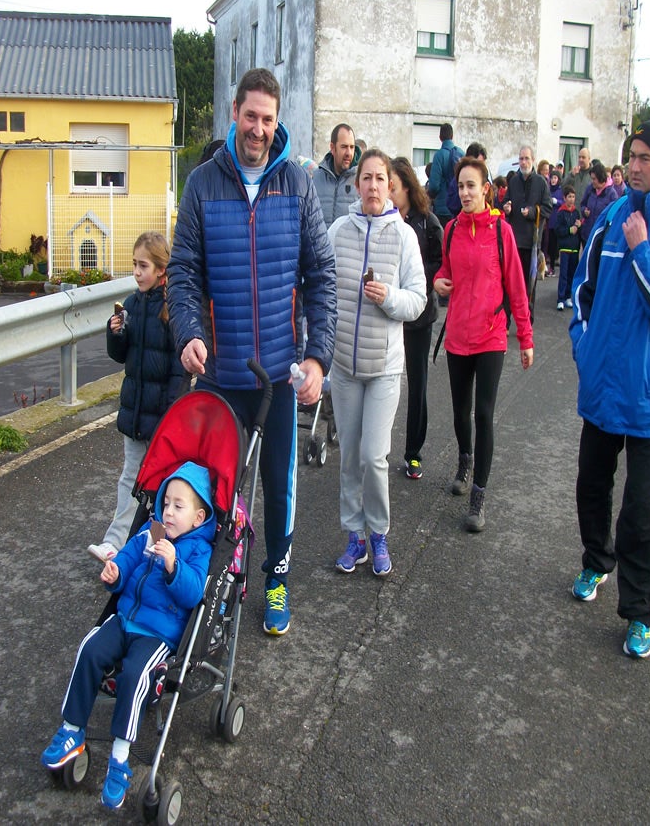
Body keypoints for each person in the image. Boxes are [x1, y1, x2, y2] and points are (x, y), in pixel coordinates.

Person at [167, 68, 337, 637]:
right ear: (234, 112)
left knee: (279, 484)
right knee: (213, 485)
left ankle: (277, 577)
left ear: (276, 120)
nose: (258, 129)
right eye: (250, 117)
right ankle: (215, 576)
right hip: (220, 371)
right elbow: (183, 272)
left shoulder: (298, 186)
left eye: (268, 119)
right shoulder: (201, 185)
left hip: (280, 375)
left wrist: (317, 358)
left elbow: (322, 277)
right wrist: (189, 330)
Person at [569, 119, 650, 659]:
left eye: (646, 157)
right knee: (591, 487)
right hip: (602, 385)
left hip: (649, 397)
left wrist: (645, 248)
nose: (635, 165)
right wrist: (583, 346)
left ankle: (640, 612)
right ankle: (595, 562)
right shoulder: (609, 218)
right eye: (632, 156)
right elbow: (581, 291)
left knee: (641, 510)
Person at [43, 462, 216, 809]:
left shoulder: (198, 550)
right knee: (90, 649)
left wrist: (173, 566)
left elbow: (194, 594)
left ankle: (120, 757)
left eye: (178, 507)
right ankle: (72, 730)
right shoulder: (151, 534)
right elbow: (128, 558)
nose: (168, 511)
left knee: (134, 676)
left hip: (157, 635)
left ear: (198, 518)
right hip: (124, 619)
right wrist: (116, 572)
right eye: (166, 503)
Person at [330, 149, 426, 575]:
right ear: (357, 185)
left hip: (385, 368)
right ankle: (354, 537)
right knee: (349, 456)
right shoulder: (338, 232)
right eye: (366, 178)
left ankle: (379, 534)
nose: (372, 186)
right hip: (344, 368)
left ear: (391, 187)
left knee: (374, 457)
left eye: (379, 179)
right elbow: (320, 291)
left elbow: (419, 300)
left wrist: (389, 298)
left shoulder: (403, 236)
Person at [434, 157, 534, 532]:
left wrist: (525, 337)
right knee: (460, 412)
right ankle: (464, 460)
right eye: (460, 186)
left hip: (491, 334)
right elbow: (445, 270)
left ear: (485, 189)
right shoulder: (451, 230)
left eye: (471, 186)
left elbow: (517, 288)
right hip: (457, 335)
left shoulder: (500, 232)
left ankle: (479, 496)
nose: (464, 193)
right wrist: (438, 282)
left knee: (484, 414)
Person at [88, 232, 185, 563]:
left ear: (161, 269)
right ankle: (114, 542)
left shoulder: (173, 310)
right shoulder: (130, 305)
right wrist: (115, 332)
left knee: (158, 486)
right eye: (134, 265)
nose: (137, 272)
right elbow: (120, 355)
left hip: (161, 417)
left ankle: (156, 544)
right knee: (130, 479)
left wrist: (172, 417)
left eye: (143, 265)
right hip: (134, 413)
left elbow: (179, 372)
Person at [389, 156, 443, 480]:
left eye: (392, 186)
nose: (388, 192)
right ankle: (376, 451)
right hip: (389, 315)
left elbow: (440, 261)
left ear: (407, 187)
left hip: (420, 316)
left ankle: (413, 453)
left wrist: (421, 281)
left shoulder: (427, 221)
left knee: (417, 383)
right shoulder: (382, 219)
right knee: (385, 380)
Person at [503, 146, 552, 319]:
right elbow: (505, 201)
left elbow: (548, 207)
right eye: (521, 158)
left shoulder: (541, 182)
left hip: (532, 241)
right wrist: (507, 207)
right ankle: (507, 320)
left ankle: (526, 319)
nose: (523, 162)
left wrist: (532, 212)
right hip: (515, 240)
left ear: (533, 160)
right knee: (510, 282)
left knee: (529, 284)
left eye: (527, 159)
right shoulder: (514, 181)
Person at [313, 123, 361, 223]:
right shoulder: (315, 179)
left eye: (352, 147)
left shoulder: (361, 181)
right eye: (344, 147)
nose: (349, 153)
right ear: (332, 148)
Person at [427, 123, 462, 223]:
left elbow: (434, 186)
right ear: (452, 136)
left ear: (440, 137)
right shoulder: (461, 153)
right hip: (459, 206)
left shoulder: (439, 155)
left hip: (443, 209)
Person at [553, 186, 581, 310]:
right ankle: (560, 298)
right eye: (569, 197)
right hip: (565, 247)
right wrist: (569, 230)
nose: (571, 199)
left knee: (571, 273)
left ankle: (568, 296)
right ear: (564, 198)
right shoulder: (561, 212)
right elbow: (558, 230)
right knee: (563, 274)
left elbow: (579, 228)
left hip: (574, 247)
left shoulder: (576, 212)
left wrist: (579, 226)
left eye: (573, 197)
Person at [578, 162, 617, 246]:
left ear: (600, 178)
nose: (592, 182)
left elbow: (615, 216)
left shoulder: (611, 194)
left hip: (601, 237)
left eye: (594, 179)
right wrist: (584, 211)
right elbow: (582, 204)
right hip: (587, 234)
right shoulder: (590, 189)